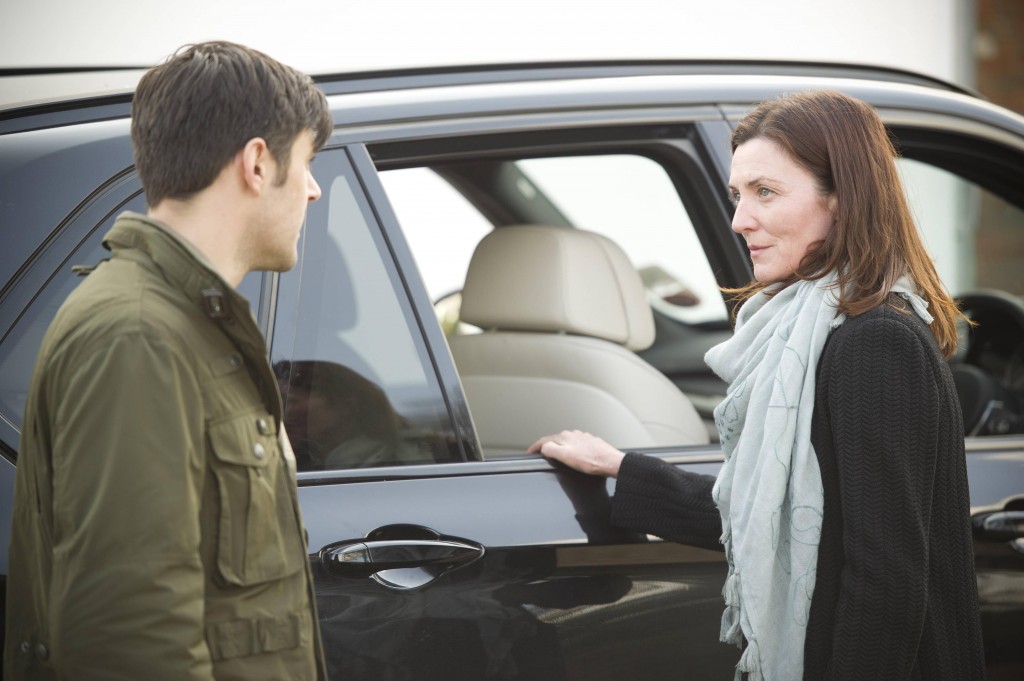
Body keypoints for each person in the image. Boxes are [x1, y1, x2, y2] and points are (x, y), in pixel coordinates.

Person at [529, 90, 985, 680]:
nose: (742, 220)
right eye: (738, 196)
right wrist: (620, 466)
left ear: (843, 200)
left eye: (766, 193)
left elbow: (887, 584)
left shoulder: (876, 342)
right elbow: (764, 518)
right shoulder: (805, 335)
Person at [5, 41, 332, 680]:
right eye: (309, 162)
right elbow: (129, 637)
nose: (316, 191)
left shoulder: (186, 326)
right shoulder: (138, 336)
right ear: (258, 164)